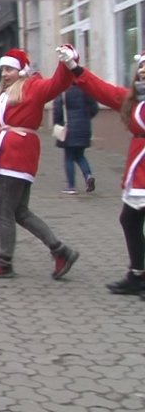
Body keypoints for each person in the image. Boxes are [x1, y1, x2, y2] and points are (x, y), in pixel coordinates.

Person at [0, 46, 81, 280]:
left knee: (3, 211)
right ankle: (61, 251)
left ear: (22, 70)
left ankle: (4, 262)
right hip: (10, 156)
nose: (4, 73)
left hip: (16, 156)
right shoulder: (2, 95)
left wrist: (68, 60)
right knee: (19, 212)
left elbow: (58, 84)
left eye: (10, 69)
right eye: (2, 69)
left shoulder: (32, 87)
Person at [61, 52, 145, 299]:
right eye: (141, 67)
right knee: (129, 220)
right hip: (138, 169)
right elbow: (102, 90)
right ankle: (137, 275)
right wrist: (74, 68)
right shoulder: (131, 98)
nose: (143, 71)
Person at [53, 85, 99, 194]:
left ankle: (71, 186)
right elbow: (95, 108)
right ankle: (88, 176)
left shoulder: (63, 90)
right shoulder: (86, 89)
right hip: (84, 127)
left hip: (68, 128)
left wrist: (57, 123)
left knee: (68, 157)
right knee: (80, 155)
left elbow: (58, 110)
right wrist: (86, 118)